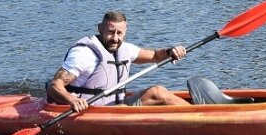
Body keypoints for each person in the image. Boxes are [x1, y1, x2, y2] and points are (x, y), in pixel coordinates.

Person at [46, 10, 189, 111]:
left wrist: (170, 52)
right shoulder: (84, 54)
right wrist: (72, 100)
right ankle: (200, 117)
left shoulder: (125, 49)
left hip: (117, 106)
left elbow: (156, 56)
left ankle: (201, 112)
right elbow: (54, 86)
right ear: (100, 28)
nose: (115, 38)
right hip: (88, 111)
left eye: (119, 33)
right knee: (146, 98)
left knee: (158, 91)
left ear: (125, 31)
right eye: (110, 32)